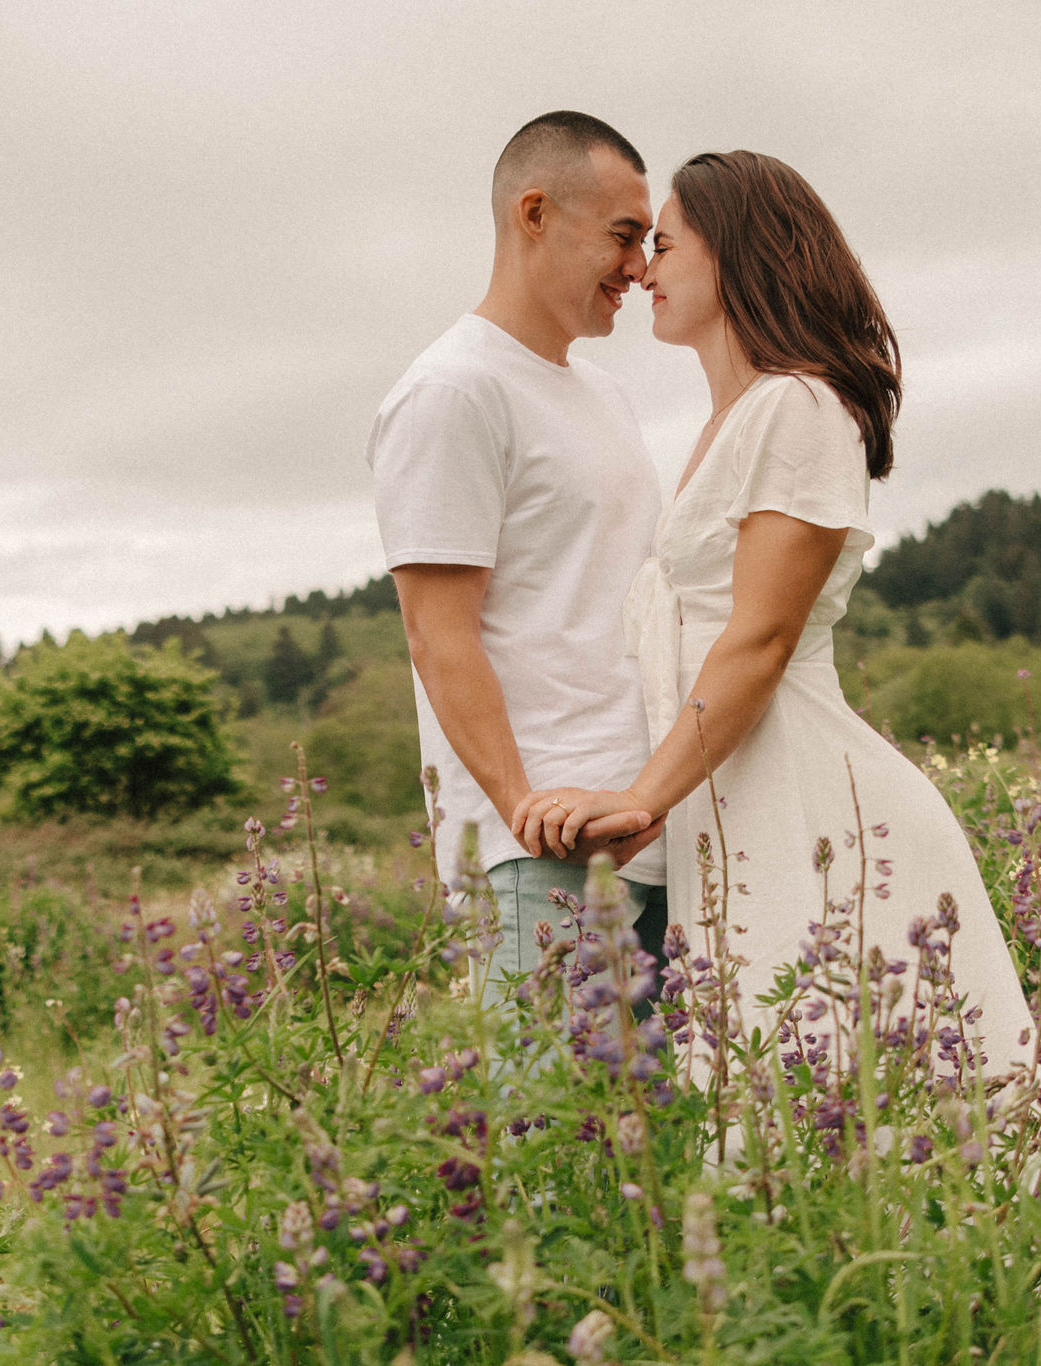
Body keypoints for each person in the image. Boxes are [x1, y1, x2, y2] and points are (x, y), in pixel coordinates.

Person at [509, 150, 1039, 1076]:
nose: (642, 269)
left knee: (847, 1091)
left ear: (735, 257)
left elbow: (759, 638)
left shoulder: (799, 405)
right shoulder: (735, 420)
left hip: (810, 799)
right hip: (734, 799)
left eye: (665, 245)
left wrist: (641, 798)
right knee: (776, 1098)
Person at [367, 111, 667, 991]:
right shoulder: (451, 393)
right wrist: (522, 812)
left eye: (647, 243)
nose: (639, 269)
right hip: (541, 859)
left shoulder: (605, 395)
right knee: (552, 1127)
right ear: (535, 213)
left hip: (649, 831)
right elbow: (438, 633)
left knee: (662, 1132)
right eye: (623, 236)